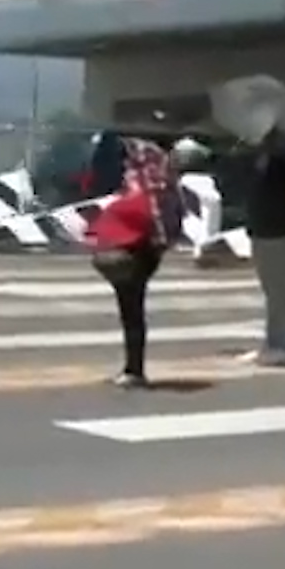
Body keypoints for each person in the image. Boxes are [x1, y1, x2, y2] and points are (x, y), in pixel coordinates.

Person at [84, 137, 187, 389]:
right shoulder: (162, 185)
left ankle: (134, 369)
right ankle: (133, 368)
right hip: (147, 249)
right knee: (133, 310)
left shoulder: (139, 195)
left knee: (131, 311)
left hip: (135, 249)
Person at [242, 131, 285, 366]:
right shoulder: (261, 162)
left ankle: (282, 345)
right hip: (264, 233)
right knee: (272, 293)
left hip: (280, 234)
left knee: (280, 293)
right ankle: (272, 343)